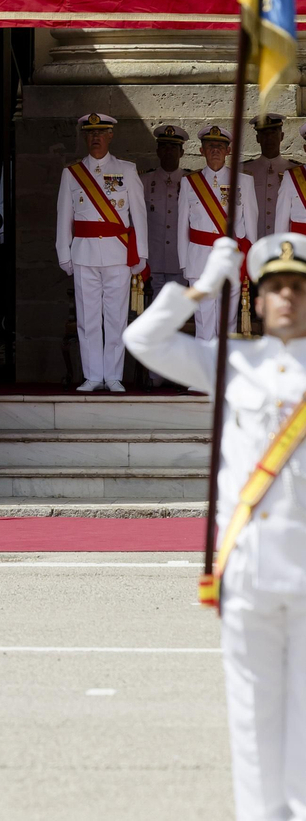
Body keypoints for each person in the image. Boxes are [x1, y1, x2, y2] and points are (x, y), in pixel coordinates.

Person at [124, 233, 306, 821]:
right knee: (251, 715)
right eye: (276, 287)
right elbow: (142, 340)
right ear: (256, 300)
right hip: (247, 567)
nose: (286, 297)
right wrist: (200, 288)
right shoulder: (232, 361)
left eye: (299, 288)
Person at [55, 112, 148, 392]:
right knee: (87, 318)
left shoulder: (127, 170)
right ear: (85, 137)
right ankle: (93, 376)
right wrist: (64, 253)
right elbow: (64, 217)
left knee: (116, 317)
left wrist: (140, 253)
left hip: (118, 253)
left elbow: (139, 215)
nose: (95, 138)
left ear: (110, 136)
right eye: (91, 133)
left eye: (101, 133)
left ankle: (114, 376)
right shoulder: (71, 174)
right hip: (83, 254)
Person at [178, 124, 257, 341]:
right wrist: (185, 263)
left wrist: (249, 262)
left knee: (227, 322)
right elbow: (182, 226)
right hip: (198, 260)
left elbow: (251, 226)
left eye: (220, 146)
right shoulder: (189, 182)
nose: (215, 150)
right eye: (210, 146)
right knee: (203, 322)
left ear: (228, 151)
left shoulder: (244, 182)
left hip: (230, 260)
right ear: (201, 150)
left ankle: (223, 373)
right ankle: (204, 373)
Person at [140, 124, 189, 298]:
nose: (169, 152)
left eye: (174, 147)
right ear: (158, 151)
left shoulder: (191, 181)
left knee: (178, 313)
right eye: (164, 147)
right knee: (154, 312)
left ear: (182, 152)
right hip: (153, 259)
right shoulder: (144, 181)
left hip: (180, 260)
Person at [242, 111, 298, 240]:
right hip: (253, 239)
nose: (269, 138)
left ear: (282, 136)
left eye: (273, 133)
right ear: (257, 138)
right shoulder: (243, 171)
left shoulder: (295, 170)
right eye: (264, 134)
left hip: (285, 241)